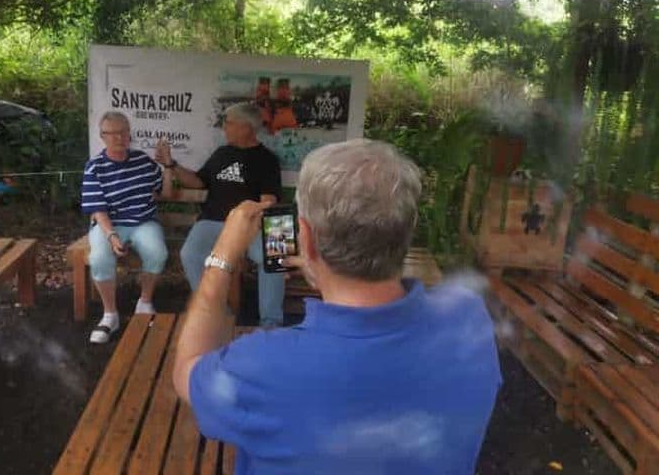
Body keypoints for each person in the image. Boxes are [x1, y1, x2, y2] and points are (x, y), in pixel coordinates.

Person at [172, 139, 501, 474]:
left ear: (306, 238)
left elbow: (185, 372)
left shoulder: (261, 365)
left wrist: (221, 256)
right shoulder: (469, 319)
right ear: (408, 228)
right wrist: (324, 272)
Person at [155, 102, 285, 327]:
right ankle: (220, 314)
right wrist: (171, 164)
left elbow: (269, 202)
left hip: (249, 224)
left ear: (246, 127)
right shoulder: (222, 153)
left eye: (228, 123)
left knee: (277, 254)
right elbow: (198, 182)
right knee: (190, 255)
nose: (224, 128)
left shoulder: (268, 160)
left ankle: (271, 322)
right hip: (213, 221)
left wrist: (243, 221)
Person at [81, 111, 172, 344]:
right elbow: (97, 209)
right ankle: (110, 315)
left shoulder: (143, 161)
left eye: (123, 132)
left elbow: (166, 193)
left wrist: (167, 165)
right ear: (102, 136)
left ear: (129, 133)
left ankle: (145, 302)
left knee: (157, 252)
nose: (118, 138)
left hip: (143, 221)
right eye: (112, 133)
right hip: (110, 224)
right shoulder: (95, 167)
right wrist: (111, 235)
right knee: (99, 257)